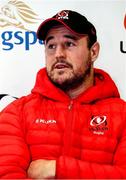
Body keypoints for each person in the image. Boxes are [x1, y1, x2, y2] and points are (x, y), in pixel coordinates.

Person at [0, 9, 126, 179]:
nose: (58, 54)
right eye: (51, 46)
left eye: (69, 44)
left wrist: (58, 169)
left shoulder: (122, 115)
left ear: (94, 52)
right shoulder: (16, 112)